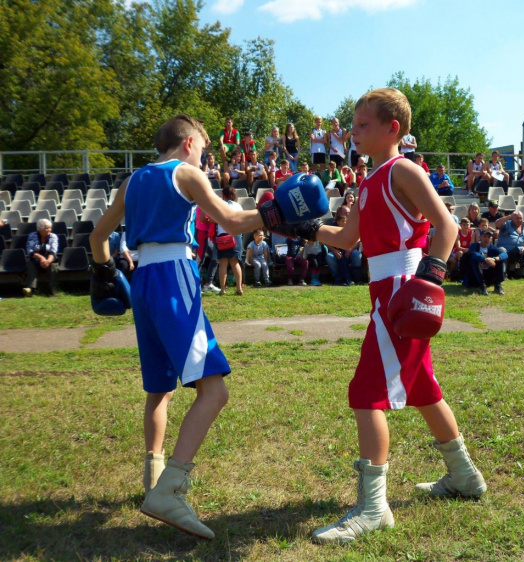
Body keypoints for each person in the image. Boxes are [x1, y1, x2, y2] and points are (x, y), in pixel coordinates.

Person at [88, 113, 328, 540]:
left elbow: (97, 238)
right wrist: (276, 215)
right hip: (173, 279)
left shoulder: (132, 181)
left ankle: (153, 476)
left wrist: (105, 270)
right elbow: (233, 223)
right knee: (214, 390)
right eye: (203, 146)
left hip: (143, 280)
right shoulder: (186, 173)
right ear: (187, 143)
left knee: (158, 388)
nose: (206, 154)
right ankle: (170, 488)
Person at [312, 88, 485, 544]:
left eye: (363, 125)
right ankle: (464, 476)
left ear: (394, 128)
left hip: (400, 293)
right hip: (383, 292)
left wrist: (432, 274)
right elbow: (347, 239)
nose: (353, 132)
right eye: (352, 125)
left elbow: (447, 225)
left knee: (366, 393)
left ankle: (373, 510)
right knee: (424, 389)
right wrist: (301, 227)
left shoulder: (403, 169)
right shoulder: (368, 182)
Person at [495, 210, 524, 279]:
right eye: (517, 218)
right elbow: (497, 223)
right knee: (502, 251)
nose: (519, 220)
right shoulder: (506, 225)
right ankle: (504, 274)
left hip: (521, 251)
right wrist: (510, 216)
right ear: (512, 218)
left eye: (521, 218)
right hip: (508, 251)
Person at [215, 186, 243, 295]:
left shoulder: (220, 205)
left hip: (222, 236)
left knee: (223, 262)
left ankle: (223, 289)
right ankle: (239, 288)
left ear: (223, 194)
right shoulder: (238, 206)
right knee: (235, 262)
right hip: (236, 235)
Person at [22, 218, 58, 297]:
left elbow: (53, 251)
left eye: (50, 228)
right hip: (36, 258)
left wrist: (47, 261)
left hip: (49, 258)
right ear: (40, 229)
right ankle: (30, 289)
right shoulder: (32, 236)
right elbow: (30, 251)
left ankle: (52, 287)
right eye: (47, 228)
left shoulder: (53, 236)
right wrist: (41, 258)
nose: (49, 230)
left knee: (53, 266)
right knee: (31, 265)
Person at [324, 213, 362, 285]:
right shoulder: (333, 229)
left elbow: (358, 239)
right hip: (338, 251)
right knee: (330, 257)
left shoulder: (350, 228)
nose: (345, 223)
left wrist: (351, 249)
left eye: (346, 221)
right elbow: (326, 242)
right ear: (338, 222)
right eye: (343, 221)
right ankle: (338, 278)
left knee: (357, 255)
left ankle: (357, 278)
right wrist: (335, 251)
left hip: (349, 250)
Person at [465, 230, 506, 295]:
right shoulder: (474, 246)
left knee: (500, 258)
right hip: (474, 276)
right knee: (475, 260)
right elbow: (473, 254)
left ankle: (497, 285)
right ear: (480, 237)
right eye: (484, 236)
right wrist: (485, 259)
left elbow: (505, 255)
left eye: (489, 237)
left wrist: (494, 259)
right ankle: (482, 287)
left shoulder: (492, 248)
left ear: (491, 239)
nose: (486, 239)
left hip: (487, 275)